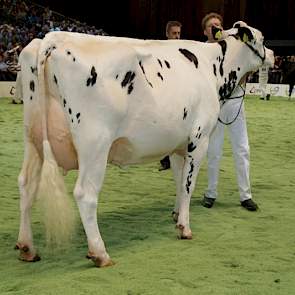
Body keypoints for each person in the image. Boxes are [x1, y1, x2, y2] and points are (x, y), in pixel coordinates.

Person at [201, 12, 258, 211]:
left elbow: (251, 56)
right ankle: (211, 192)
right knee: (213, 151)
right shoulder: (203, 50)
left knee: (242, 149)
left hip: (235, 102)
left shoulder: (234, 45)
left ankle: (245, 195)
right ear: (205, 31)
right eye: (211, 26)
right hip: (214, 104)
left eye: (218, 24)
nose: (215, 28)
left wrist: (240, 26)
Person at [159, 20, 182, 171]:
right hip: (163, 95)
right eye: (174, 33)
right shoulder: (160, 50)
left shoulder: (182, 51)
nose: (177, 36)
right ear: (167, 34)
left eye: (179, 33)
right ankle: (163, 157)